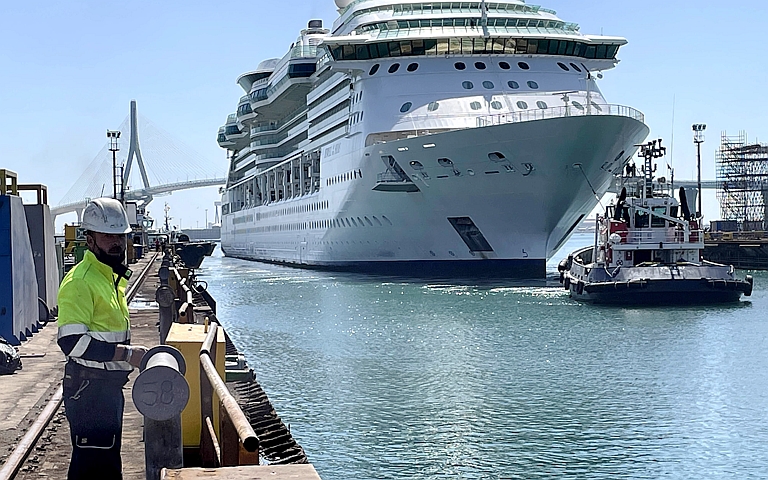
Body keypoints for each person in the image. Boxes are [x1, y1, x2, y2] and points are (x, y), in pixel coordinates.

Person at [57, 197, 149, 479]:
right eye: (108, 235)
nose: (116, 242)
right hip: (90, 393)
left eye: (120, 236)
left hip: (105, 390)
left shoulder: (108, 279)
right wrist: (126, 354)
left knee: (105, 467)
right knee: (94, 469)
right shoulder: (81, 281)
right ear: (91, 239)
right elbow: (71, 342)